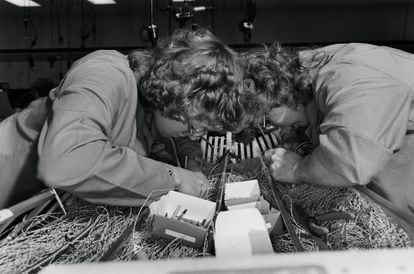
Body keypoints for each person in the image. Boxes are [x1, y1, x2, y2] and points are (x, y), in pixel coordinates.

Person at [0, 28, 244, 208]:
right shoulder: (104, 74)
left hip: (41, 203)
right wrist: (175, 178)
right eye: (194, 125)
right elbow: (67, 161)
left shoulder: (153, 107)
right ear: (173, 95)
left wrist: (192, 163)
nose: (194, 135)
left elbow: (178, 139)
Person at [242, 42, 414, 217]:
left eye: (266, 120)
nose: (278, 128)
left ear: (276, 95)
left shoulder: (345, 77)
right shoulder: (312, 76)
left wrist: (296, 169)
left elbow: (351, 162)